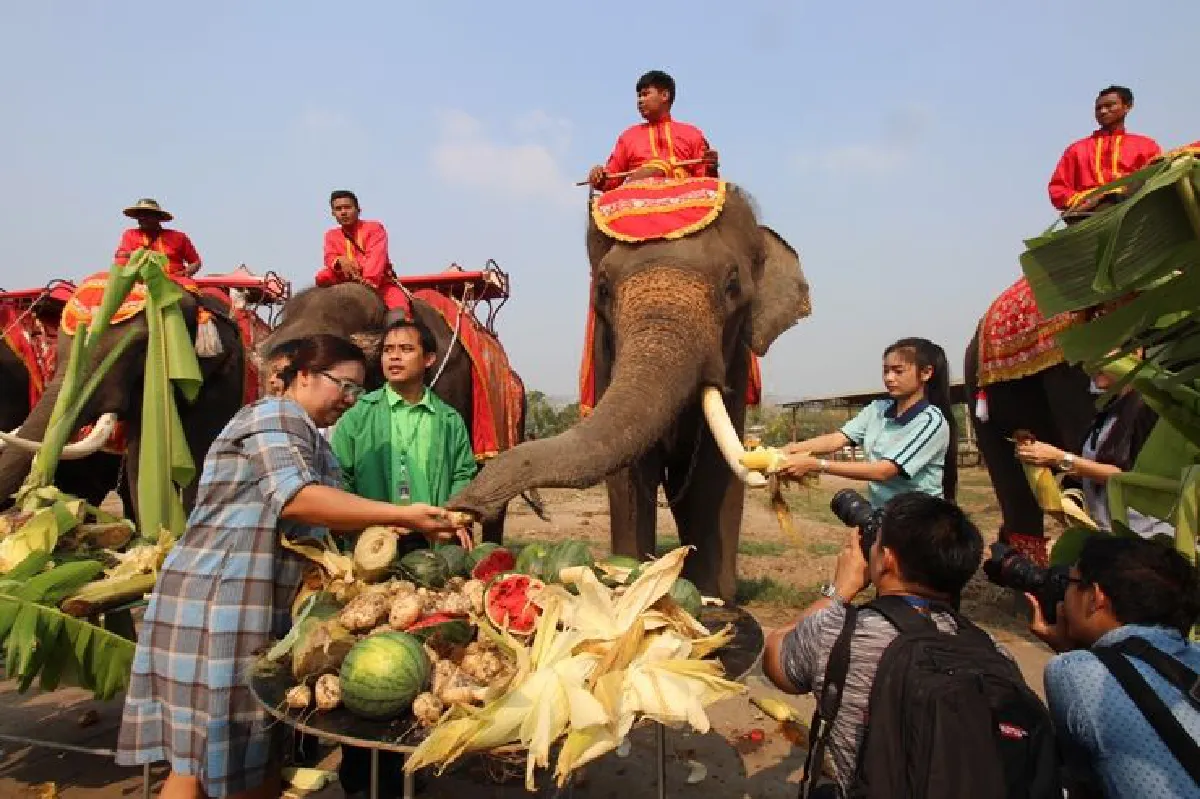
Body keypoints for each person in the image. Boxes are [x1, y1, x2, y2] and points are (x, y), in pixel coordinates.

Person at [116, 334, 461, 799]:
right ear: (302, 376)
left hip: (245, 604)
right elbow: (296, 499)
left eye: (358, 391)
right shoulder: (274, 414)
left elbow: (320, 520)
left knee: (215, 761)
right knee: (223, 760)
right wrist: (397, 513)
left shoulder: (308, 434)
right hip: (221, 606)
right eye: (344, 386)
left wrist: (387, 534)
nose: (349, 400)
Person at [763, 493, 1015, 796]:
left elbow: (775, 657)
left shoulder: (839, 633)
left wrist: (840, 590)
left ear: (888, 561)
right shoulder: (995, 653)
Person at [329, 318, 477, 797]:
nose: (393, 356)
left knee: (419, 663)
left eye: (405, 349)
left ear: (428, 359)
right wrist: (372, 521)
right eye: (388, 349)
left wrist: (455, 515)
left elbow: (463, 477)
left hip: (429, 555)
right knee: (365, 659)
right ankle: (358, 776)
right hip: (370, 555)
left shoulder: (448, 420)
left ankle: (412, 767)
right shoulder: (359, 415)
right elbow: (339, 482)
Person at [1027, 536, 1200, 797]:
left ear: (1096, 597)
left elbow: (1084, 774)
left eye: (1070, 583)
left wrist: (1070, 652)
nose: (1064, 595)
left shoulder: (1071, 672)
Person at [777, 337, 957, 506]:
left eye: (898, 371)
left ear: (926, 373)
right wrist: (788, 450)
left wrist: (817, 465)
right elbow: (836, 440)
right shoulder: (877, 409)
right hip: (881, 514)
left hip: (917, 521)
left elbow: (884, 471)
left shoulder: (931, 422)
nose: (889, 378)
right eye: (886, 371)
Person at [1015, 352, 1173, 539]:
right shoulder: (1107, 411)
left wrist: (1061, 458)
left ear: (1135, 352)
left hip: (1143, 537)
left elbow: (1130, 479)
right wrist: (1045, 461)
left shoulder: (1149, 406)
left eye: (1103, 352)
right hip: (1107, 533)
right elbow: (1094, 474)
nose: (1091, 364)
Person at [587, 70, 719, 191]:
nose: (640, 100)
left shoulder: (691, 133)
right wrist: (599, 175)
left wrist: (711, 167)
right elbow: (611, 180)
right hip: (637, 201)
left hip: (683, 202)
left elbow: (705, 181)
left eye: (645, 94)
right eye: (639, 96)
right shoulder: (628, 136)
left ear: (665, 95)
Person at [1048, 86, 1161, 212]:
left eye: (1109, 105)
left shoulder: (1146, 145)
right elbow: (1057, 189)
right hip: (1090, 217)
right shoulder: (1076, 149)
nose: (1102, 111)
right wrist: (1086, 199)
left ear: (1127, 106)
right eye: (1098, 108)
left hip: (1134, 212)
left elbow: (1157, 178)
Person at [314, 190, 407, 308]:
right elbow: (329, 257)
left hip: (378, 284)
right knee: (322, 277)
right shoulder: (331, 235)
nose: (343, 212)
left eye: (347, 207)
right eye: (338, 209)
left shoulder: (374, 228)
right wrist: (339, 261)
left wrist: (368, 280)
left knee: (400, 308)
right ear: (333, 213)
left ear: (358, 210)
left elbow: (376, 257)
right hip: (343, 282)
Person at [114, 198, 202, 277]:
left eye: (147, 214)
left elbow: (195, 262)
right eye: (139, 215)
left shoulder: (179, 237)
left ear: (158, 217)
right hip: (140, 281)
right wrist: (138, 254)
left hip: (175, 280)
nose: (142, 218)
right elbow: (120, 256)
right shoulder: (130, 234)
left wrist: (186, 272)